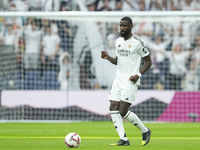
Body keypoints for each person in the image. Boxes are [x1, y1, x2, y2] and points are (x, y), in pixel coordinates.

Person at [101, 16, 152, 146]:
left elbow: (148, 61)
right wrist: (108, 58)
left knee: (123, 111)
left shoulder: (138, 42)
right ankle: (123, 139)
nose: (122, 28)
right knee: (113, 106)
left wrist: (138, 74)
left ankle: (145, 131)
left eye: (124, 26)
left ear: (131, 26)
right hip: (118, 79)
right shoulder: (118, 41)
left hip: (131, 80)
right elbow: (118, 61)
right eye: (120, 25)